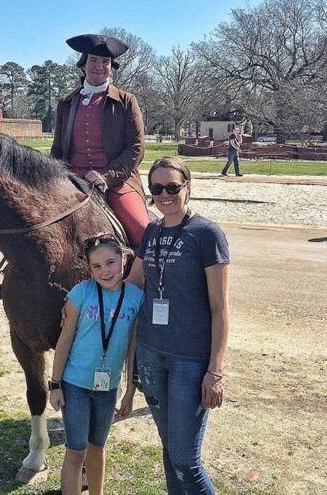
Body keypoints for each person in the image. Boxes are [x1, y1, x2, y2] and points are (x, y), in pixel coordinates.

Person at [127, 156, 230, 494]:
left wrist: (215, 370)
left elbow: (219, 308)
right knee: (170, 451)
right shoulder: (153, 230)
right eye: (156, 188)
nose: (164, 195)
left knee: (186, 459)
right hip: (151, 355)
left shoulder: (207, 234)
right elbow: (134, 284)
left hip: (189, 361)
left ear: (188, 187)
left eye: (172, 187)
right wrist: (86, 300)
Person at [49, 234, 144, 495]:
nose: (105, 272)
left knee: (98, 448)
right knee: (76, 450)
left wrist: (130, 391)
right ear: (89, 269)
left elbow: (132, 348)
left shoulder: (136, 298)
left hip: (108, 388)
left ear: (124, 259)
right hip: (75, 385)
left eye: (111, 262)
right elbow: (65, 340)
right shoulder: (81, 293)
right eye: (97, 267)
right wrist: (55, 384)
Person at [50, 34, 150, 249]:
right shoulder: (66, 103)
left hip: (116, 182)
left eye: (105, 62)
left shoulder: (126, 101)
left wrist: (106, 176)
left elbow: (136, 147)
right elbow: (57, 149)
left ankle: (147, 281)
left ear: (111, 67)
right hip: (71, 180)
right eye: (94, 60)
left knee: (143, 231)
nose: (99, 66)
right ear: (83, 64)